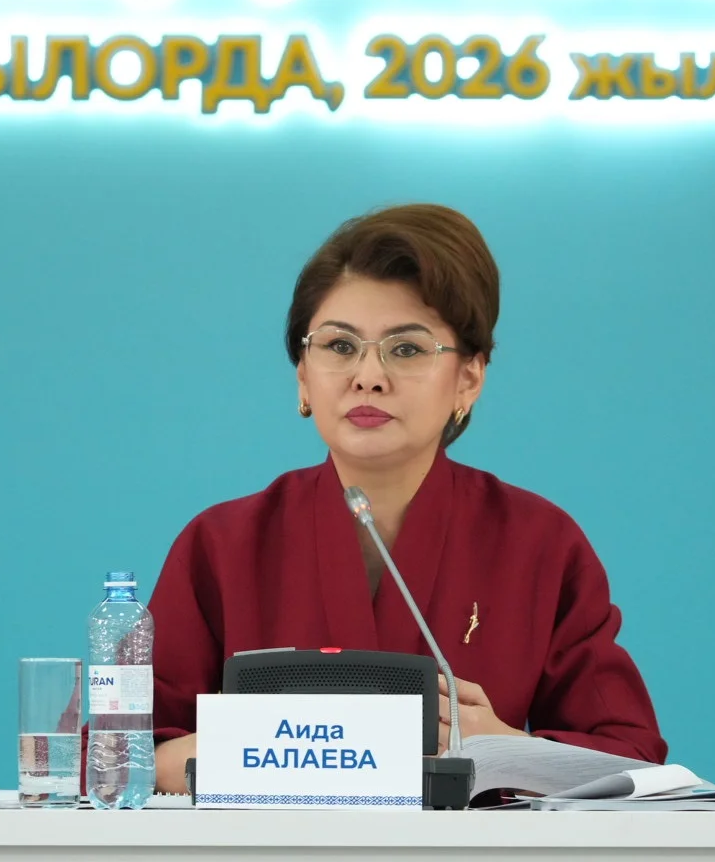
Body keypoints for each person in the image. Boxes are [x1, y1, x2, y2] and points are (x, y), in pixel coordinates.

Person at [148, 203, 665, 795]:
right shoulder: (223, 544)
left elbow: (632, 761)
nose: (368, 376)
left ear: (469, 378)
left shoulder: (538, 542)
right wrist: (284, 745)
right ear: (302, 375)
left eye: (408, 349)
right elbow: (121, 756)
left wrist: (500, 747)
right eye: (339, 346)